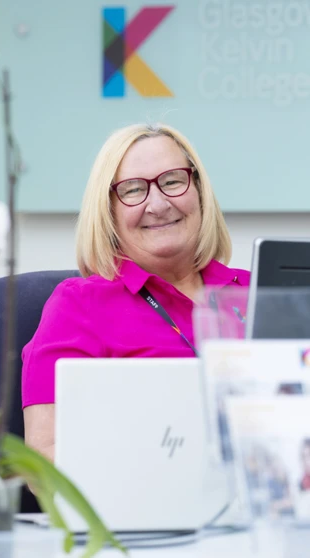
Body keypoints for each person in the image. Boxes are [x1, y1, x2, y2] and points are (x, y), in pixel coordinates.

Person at [22, 122, 250, 461]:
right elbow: (44, 458)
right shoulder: (78, 305)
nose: (157, 204)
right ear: (109, 210)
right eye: (132, 190)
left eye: (173, 181)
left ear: (199, 191)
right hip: (143, 509)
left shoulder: (254, 289)